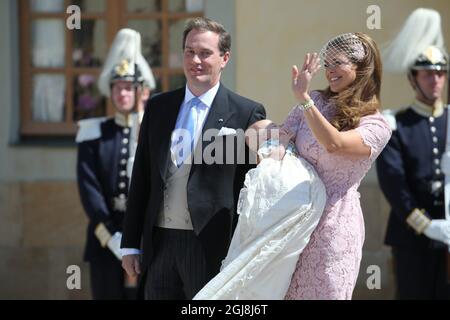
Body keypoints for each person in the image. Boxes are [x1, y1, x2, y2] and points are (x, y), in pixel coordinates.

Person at [120, 17, 266, 300]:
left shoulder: (247, 112)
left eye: (205, 53)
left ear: (224, 58)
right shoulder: (158, 107)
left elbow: (253, 188)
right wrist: (130, 244)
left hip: (211, 247)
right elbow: (142, 176)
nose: (195, 60)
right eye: (189, 51)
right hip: (159, 245)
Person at [281, 33, 391, 299]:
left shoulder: (377, 124)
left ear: (362, 68)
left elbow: (336, 144)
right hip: (294, 221)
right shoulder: (316, 102)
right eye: (327, 63)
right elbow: (281, 140)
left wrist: (303, 98)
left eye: (337, 63)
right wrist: (255, 129)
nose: (330, 71)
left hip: (334, 226)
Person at [376, 8, 450, 299]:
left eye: (441, 73)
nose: (436, 81)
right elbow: (394, 182)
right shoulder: (396, 124)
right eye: (428, 74)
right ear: (413, 78)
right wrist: (426, 226)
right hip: (412, 238)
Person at [76, 28, 156, 300]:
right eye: (117, 87)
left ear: (140, 91)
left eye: (128, 87)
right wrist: (112, 238)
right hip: (104, 240)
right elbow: (90, 190)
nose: (122, 93)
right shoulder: (93, 134)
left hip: (147, 242)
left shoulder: (152, 131)